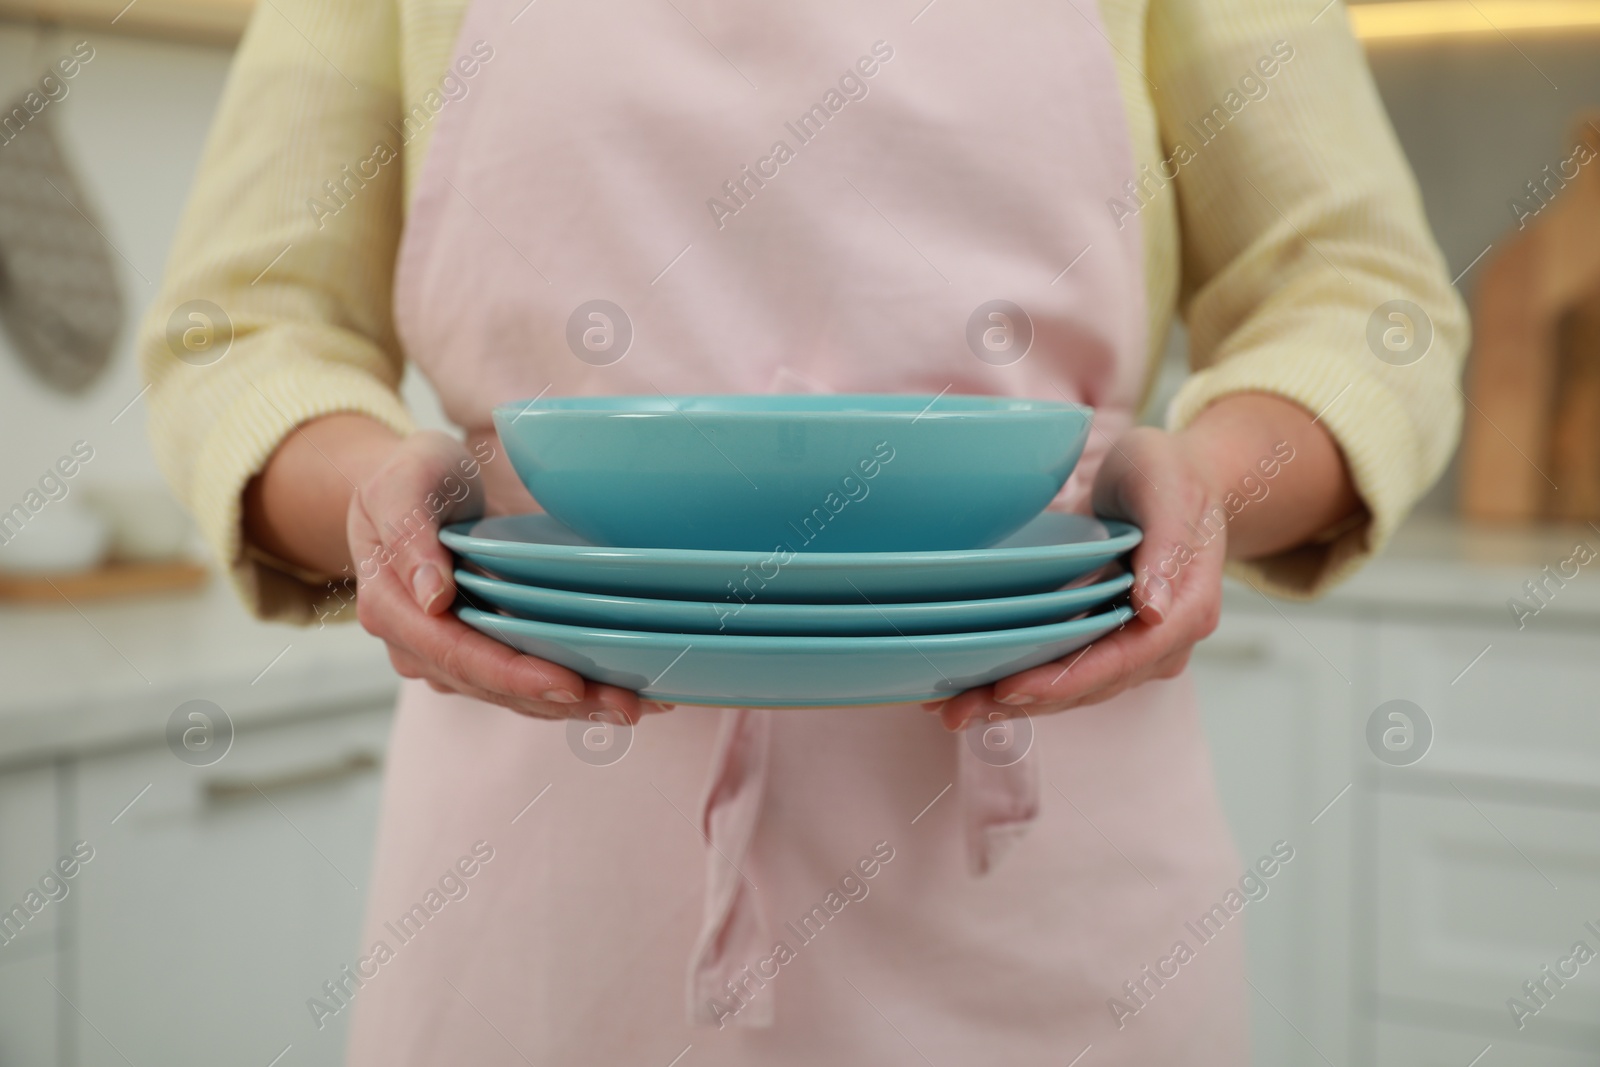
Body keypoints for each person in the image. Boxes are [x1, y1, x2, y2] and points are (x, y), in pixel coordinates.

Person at [141, 0, 1465, 1063]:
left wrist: (1212, 481)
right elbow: (241, 332)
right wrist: (377, 490)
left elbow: (1357, 299)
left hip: (1052, 882)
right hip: (543, 880)